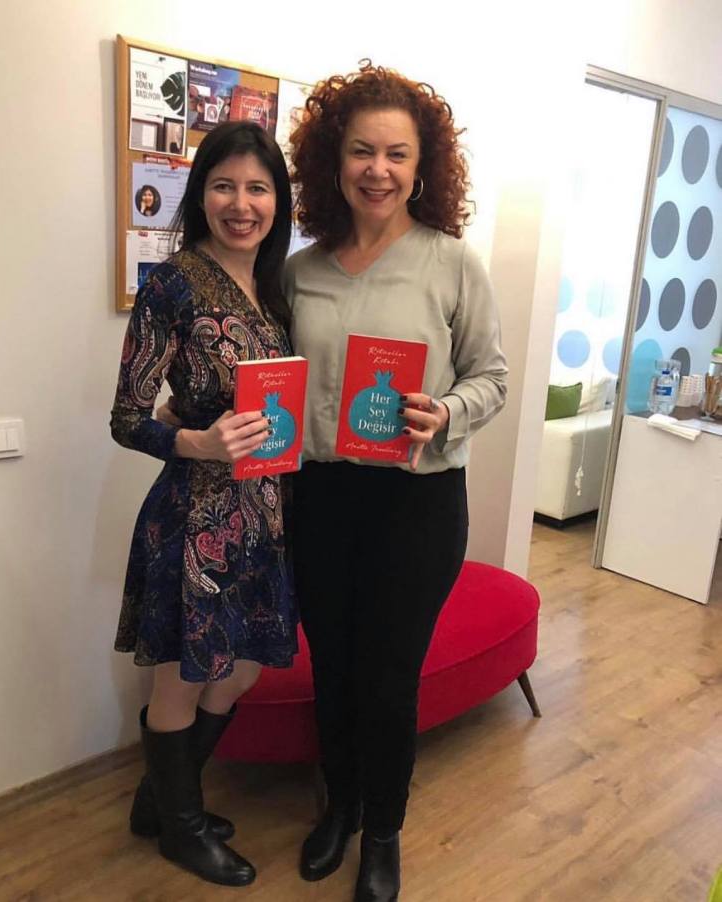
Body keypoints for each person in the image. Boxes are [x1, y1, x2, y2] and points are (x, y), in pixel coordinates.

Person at [285, 62, 507, 901]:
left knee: (387, 677)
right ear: (333, 160)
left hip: (416, 503)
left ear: (422, 167)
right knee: (333, 668)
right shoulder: (301, 271)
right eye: (361, 151)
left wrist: (446, 411)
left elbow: (492, 377)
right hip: (322, 498)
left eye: (396, 154)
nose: (377, 170)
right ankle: (339, 806)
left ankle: (383, 830)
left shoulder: (453, 264)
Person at [110, 120, 297, 888]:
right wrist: (197, 442)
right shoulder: (172, 284)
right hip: (195, 518)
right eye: (224, 186)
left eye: (258, 188)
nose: (241, 204)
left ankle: (160, 802)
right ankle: (181, 829)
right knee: (183, 678)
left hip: (264, 516)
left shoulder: (275, 289)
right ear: (201, 195)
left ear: (278, 202)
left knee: (241, 670)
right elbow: (127, 418)